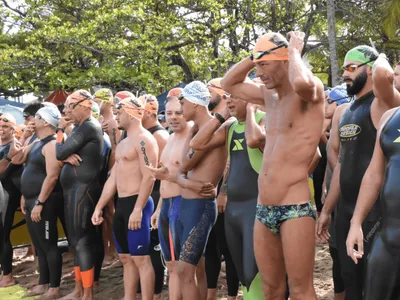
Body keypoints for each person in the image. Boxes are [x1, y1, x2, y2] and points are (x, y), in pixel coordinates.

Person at [221, 31, 324, 299]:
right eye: (256, 66)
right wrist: (255, 57)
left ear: (283, 60)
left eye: (264, 66)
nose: (258, 73)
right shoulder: (268, 96)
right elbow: (228, 83)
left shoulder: (310, 91)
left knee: (301, 290)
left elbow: (301, 82)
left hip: (295, 208)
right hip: (263, 208)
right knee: (271, 289)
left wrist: (294, 50)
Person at [317, 47, 400, 300]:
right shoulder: (345, 112)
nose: (345, 73)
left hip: (375, 214)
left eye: (351, 67)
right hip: (348, 211)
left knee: (374, 286)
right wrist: (328, 209)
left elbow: (386, 77)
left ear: (370, 69)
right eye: (343, 68)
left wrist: (381, 60)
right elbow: (343, 163)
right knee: (350, 281)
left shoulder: (382, 104)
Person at [190, 94, 268, 300]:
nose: (229, 101)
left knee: (255, 269)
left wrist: (251, 111)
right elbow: (196, 143)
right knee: (242, 270)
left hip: (256, 207)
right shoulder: (231, 128)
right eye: (227, 97)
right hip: (234, 209)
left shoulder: (263, 119)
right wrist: (221, 116)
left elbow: (254, 140)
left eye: (235, 97)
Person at [92, 95, 158, 300]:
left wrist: (138, 209)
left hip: (138, 203)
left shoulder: (144, 139)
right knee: (126, 258)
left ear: (131, 113)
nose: (116, 117)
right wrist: (99, 206)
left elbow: (150, 176)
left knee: (142, 259)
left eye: (119, 113)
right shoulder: (123, 142)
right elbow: (113, 179)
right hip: (122, 205)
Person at [345, 55, 400, 300]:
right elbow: (374, 175)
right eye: (396, 73)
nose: (395, 77)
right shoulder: (389, 118)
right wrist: (356, 222)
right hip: (388, 240)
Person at [174, 81, 226, 300]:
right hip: (186, 204)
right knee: (197, 268)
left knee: (185, 270)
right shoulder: (197, 129)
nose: (180, 106)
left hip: (200, 206)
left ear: (195, 103)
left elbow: (184, 165)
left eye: (182, 101)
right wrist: (184, 181)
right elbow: (180, 168)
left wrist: (182, 178)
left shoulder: (218, 129)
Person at [56, 90, 104, 300]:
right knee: (75, 241)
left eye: (70, 107)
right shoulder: (80, 128)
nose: (67, 112)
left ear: (85, 107)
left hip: (83, 190)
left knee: (81, 241)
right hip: (74, 189)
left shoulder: (89, 127)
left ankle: (87, 294)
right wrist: (65, 158)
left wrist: (59, 131)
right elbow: (62, 154)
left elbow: (59, 151)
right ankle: (78, 289)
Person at [10, 106, 63, 299]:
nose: (33, 119)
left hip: (45, 202)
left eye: (38, 117)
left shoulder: (51, 145)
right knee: (39, 246)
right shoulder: (35, 143)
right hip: (31, 200)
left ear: (47, 122)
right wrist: (24, 137)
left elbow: (52, 176)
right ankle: (43, 282)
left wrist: (40, 202)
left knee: (49, 245)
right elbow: (16, 159)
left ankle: (54, 287)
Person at [149, 95, 192, 300]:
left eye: (178, 113)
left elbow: (193, 177)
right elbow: (164, 178)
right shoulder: (171, 137)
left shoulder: (192, 137)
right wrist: (158, 208)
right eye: (169, 113)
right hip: (166, 204)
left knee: (182, 266)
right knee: (171, 264)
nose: (173, 117)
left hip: (182, 205)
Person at [202, 78, 240, 300]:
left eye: (210, 91)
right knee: (212, 247)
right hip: (208, 191)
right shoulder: (213, 121)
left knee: (229, 248)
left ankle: (234, 295)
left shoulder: (231, 121)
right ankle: (211, 294)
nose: (207, 95)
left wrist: (223, 191)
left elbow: (230, 159)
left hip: (227, 192)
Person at [322, 85, 351, 300]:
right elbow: (328, 163)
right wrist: (325, 188)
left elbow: (341, 163)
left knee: (345, 254)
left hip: (347, 198)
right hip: (334, 196)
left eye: (329, 101)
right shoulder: (332, 127)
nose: (325, 105)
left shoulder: (348, 120)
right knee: (335, 251)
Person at [140, 94, 169, 299]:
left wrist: (160, 204)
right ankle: (147, 287)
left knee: (154, 247)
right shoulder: (141, 133)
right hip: (145, 194)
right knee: (145, 246)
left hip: (157, 193)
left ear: (149, 111)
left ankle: (157, 291)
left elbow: (166, 173)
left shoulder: (160, 136)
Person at [0, 114, 22, 287]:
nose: (1, 129)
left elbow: (4, 172)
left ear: (13, 129)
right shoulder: (2, 145)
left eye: (5, 127)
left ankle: (8, 275)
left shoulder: (15, 146)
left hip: (8, 193)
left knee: (3, 234)